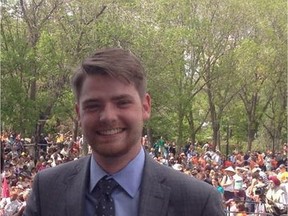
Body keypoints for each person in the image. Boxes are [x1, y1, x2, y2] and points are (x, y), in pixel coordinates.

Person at [23, 47, 224, 216]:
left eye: (122, 103)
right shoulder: (47, 190)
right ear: (79, 113)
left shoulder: (198, 203)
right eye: (93, 105)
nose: (108, 116)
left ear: (146, 106)